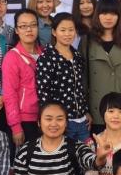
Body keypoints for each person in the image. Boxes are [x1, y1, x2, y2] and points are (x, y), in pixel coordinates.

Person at [80, 0, 121, 131]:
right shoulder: (87, 40)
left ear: (119, 16)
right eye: (104, 13)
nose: (108, 18)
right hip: (97, 111)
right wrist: (84, 110)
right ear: (97, 15)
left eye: (113, 14)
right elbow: (82, 79)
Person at [37, 13, 91, 141]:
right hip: (62, 123)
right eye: (63, 30)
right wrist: (53, 120)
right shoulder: (47, 57)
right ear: (54, 32)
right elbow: (43, 93)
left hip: (82, 121)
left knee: (86, 152)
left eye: (71, 30)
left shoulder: (77, 56)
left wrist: (85, 111)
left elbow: (80, 88)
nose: (67, 34)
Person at [2, 9, 43, 146]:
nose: (29, 30)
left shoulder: (44, 53)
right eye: (23, 26)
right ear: (17, 30)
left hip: (45, 117)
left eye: (33, 25)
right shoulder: (12, 57)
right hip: (25, 120)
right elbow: (9, 94)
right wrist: (16, 126)